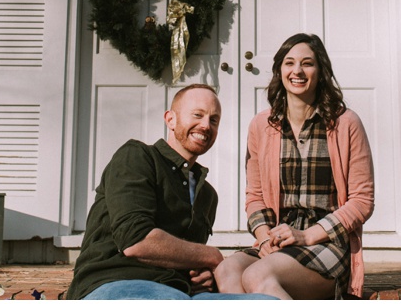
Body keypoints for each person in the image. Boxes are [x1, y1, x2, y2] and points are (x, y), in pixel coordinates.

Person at [66, 84, 268, 300]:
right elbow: (136, 241)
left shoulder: (207, 195)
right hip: (115, 282)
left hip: (180, 290)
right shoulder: (137, 157)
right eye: (197, 115)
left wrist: (203, 274)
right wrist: (211, 256)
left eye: (214, 120)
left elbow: (186, 255)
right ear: (170, 119)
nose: (206, 125)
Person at [215, 33, 375, 299]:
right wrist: (265, 238)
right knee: (226, 271)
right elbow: (255, 197)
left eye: (307, 63)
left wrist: (307, 236)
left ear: (321, 71)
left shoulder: (346, 123)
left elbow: (362, 201)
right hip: (279, 240)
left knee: (257, 275)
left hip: (326, 243)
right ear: (280, 70)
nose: (297, 71)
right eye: (289, 63)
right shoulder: (261, 126)